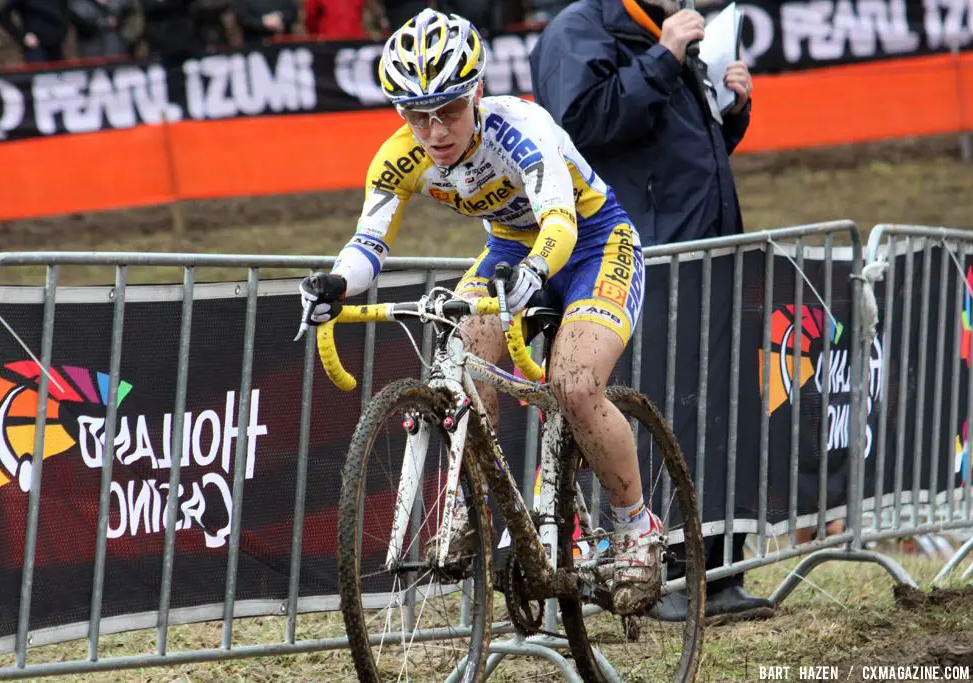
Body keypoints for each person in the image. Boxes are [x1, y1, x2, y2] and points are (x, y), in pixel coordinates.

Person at [299, 8, 663, 616]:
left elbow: (560, 221)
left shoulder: (520, 128)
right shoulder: (399, 156)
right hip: (508, 250)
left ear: (477, 92)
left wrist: (533, 274)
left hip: (592, 240)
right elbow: (368, 245)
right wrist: (336, 283)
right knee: (459, 353)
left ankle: (636, 525)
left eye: (448, 110)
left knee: (574, 384)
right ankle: (477, 500)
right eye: (418, 116)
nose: (435, 131)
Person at [529, 0, 773, 621]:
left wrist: (730, 112)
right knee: (656, 409)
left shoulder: (662, 33)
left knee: (708, 413)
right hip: (631, 266)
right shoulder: (578, 31)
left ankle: (713, 568)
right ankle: (652, 573)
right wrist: (665, 59)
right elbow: (580, 129)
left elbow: (676, 152)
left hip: (704, 258)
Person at [0, 0, 71, 64]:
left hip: (57, 47)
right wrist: (22, 36)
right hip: (36, 47)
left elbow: (67, 12)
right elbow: (3, 15)